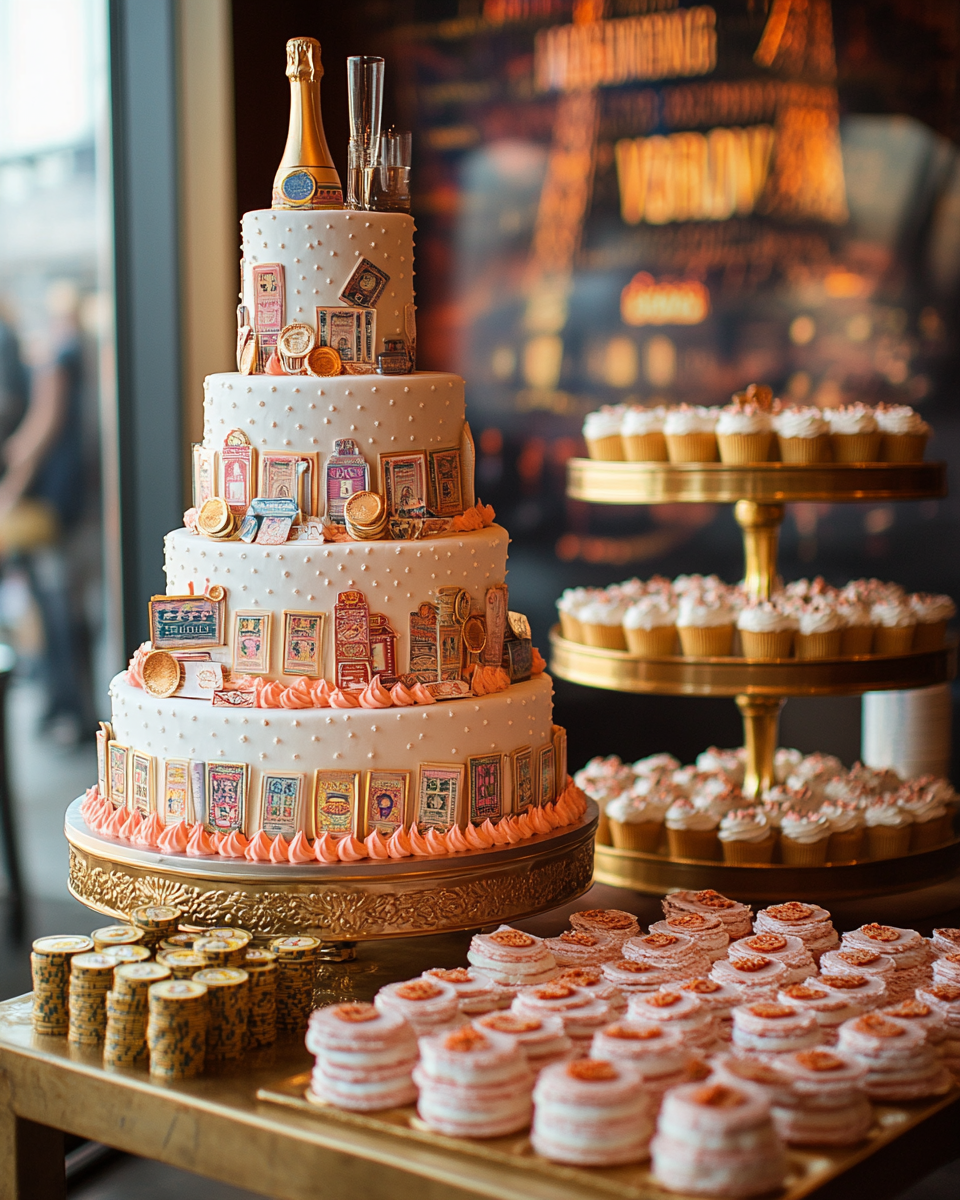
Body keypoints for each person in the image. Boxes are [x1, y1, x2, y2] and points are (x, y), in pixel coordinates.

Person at [0, 281, 95, 744]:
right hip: (67, 497)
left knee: (58, 605)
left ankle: (71, 710)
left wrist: (13, 486)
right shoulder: (72, 350)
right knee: (60, 605)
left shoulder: (55, 355)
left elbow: (41, 425)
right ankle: (68, 706)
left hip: (56, 500)